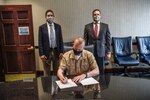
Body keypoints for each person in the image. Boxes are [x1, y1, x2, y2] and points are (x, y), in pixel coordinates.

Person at [84, 9, 111, 75]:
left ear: (100, 15)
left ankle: (102, 84)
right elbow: (85, 40)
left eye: (98, 14)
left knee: (101, 70)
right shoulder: (87, 26)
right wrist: (84, 52)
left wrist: (109, 51)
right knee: (91, 70)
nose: (96, 16)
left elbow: (108, 39)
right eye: (95, 14)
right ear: (92, 16)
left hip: (101, 51)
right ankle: (92, 84)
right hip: (91, 52)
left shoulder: (105, 26)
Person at [38, 9, 64, 76]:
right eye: (48, 15)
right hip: (46, 53)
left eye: (51, 15)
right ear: (45, 17)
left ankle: (56, 85)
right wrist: (41, 54)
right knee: (47, 72)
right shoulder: (41, 28)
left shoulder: (58, 27)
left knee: (57, 71)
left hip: (56, 52)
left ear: (54, 17)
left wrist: (62, 51)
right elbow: (40, 41)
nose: (50, 17)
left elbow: (60, 40)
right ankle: (47, 86)